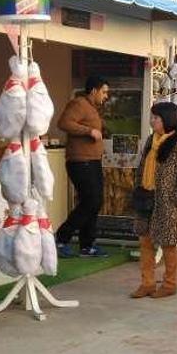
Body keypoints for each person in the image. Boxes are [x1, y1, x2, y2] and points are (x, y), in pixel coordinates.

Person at [130, 102, 177, 299]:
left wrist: (176, 198)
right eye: (152, 117)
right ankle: (147, 283)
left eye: (156, 118)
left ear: (168, 120)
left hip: (168, 202)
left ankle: (169, 283)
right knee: (145, 241)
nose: (152, 121)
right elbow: (142, 167)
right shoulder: (152, 140)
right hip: (146, 196)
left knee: (169, 243)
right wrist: (138, 187)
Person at [55, 75, 109, 258]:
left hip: (93, 160)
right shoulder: (79, 103)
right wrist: (88, 131)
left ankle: (87, 245)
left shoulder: (92, 108)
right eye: (104, 91)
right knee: (91, 201)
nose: (106, 96)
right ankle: (61, 238)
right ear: (94, 90)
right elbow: (63, 123)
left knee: (95, 201)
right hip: (80, 161)